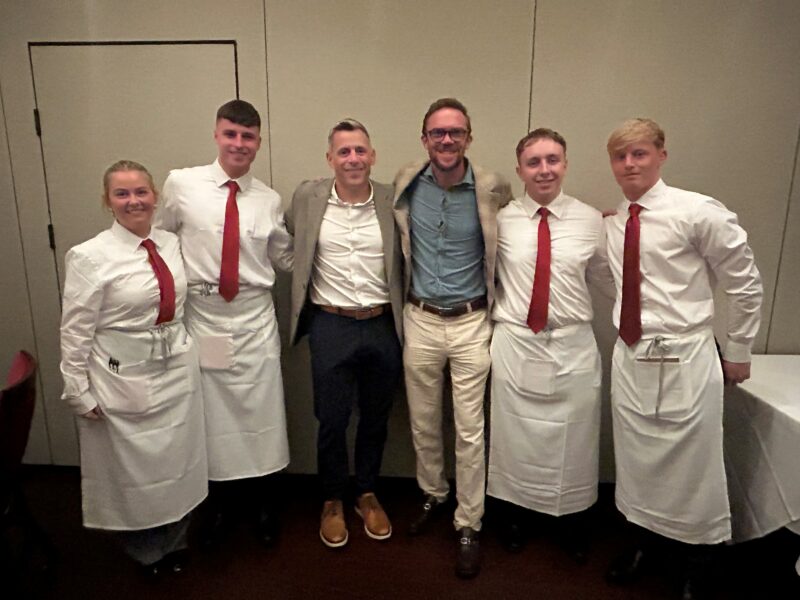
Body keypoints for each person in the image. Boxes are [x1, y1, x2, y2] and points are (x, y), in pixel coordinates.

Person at [603, 118, 762, 598]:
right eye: (620, 156)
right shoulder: (616, 221)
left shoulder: (698, 213)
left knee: (694, 464)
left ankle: (699, 559)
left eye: (640, 153)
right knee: (636, 459)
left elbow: (744, 283)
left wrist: (738, 350)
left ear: (661, 155)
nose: (630, 164)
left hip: (685, 354)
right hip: (632, 355)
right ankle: (643, 542)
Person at [156, 99, 293, 549]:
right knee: (215, 413)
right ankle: (220, 505)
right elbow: (160, 241)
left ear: (258, 142)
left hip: (253, 317)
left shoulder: (269, 199)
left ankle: (266, 503)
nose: (239, 143)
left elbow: (284, 257)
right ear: (216, 134)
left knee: (263, 410)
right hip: (207, 317)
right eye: (231, 134)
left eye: (247, 136)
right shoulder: (182, 185)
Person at [59, 160, 207, 577]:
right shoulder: (90, 257)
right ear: (107, 201)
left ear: (155, 196)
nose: (133, 201)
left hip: (175, 366)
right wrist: (77, 388)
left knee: (177, 459)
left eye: (141, 191)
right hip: (123, 373)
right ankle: (145, 549)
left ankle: (176, 540)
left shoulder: (170, 243)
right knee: (136, 465)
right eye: (121, 193)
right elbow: (74, 330)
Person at [393, 97, 513, 578]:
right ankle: (433, 494)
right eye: (438, 133)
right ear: (424, 139)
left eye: (456, 132)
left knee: (469, 428)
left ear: (468, 137)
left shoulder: (492, 187)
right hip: (420, 318)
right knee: (423, 421)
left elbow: (524, 223)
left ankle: (469, 521)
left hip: (471, 322)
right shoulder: (405, 183)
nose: (447, 140)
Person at [487, 129, 613, 563]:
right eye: (534, 162)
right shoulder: (500, 220)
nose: (544, 170)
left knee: (574, 438)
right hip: (517, 343)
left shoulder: (591, 220)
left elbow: (607, 279)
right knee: (514, 436)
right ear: (520, 170)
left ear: (565, 164)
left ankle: (572, 519)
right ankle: (514, 515)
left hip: (571, 344)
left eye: (553, 160)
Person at [286, 118, 403, 548]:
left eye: (360, 150)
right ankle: (332, 498)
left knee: (376, 416)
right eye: (344, 151)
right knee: (331, 419)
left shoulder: (394, 200)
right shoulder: (307, 197)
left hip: (382, 323)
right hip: (330, 323)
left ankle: (366, 493)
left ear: (372, 156)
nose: (353, 159)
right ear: (330, 159)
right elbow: (289, 237)